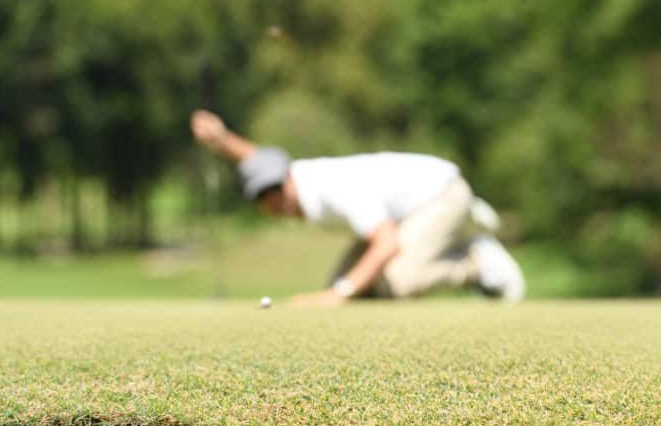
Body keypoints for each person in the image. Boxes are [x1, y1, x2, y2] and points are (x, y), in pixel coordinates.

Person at [190, 109, 525, 306]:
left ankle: (477, 261)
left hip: (442, 195)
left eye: (274, 190)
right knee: (356, 289)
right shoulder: (297, 179)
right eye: (263, 195)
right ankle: (464, 244)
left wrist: (336, 296)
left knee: (398, 282)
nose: (271, 200)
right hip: (403, 209)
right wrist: (222, 139)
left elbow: (387, 242)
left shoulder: (333, 189)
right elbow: (260, 162)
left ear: (288, 179)